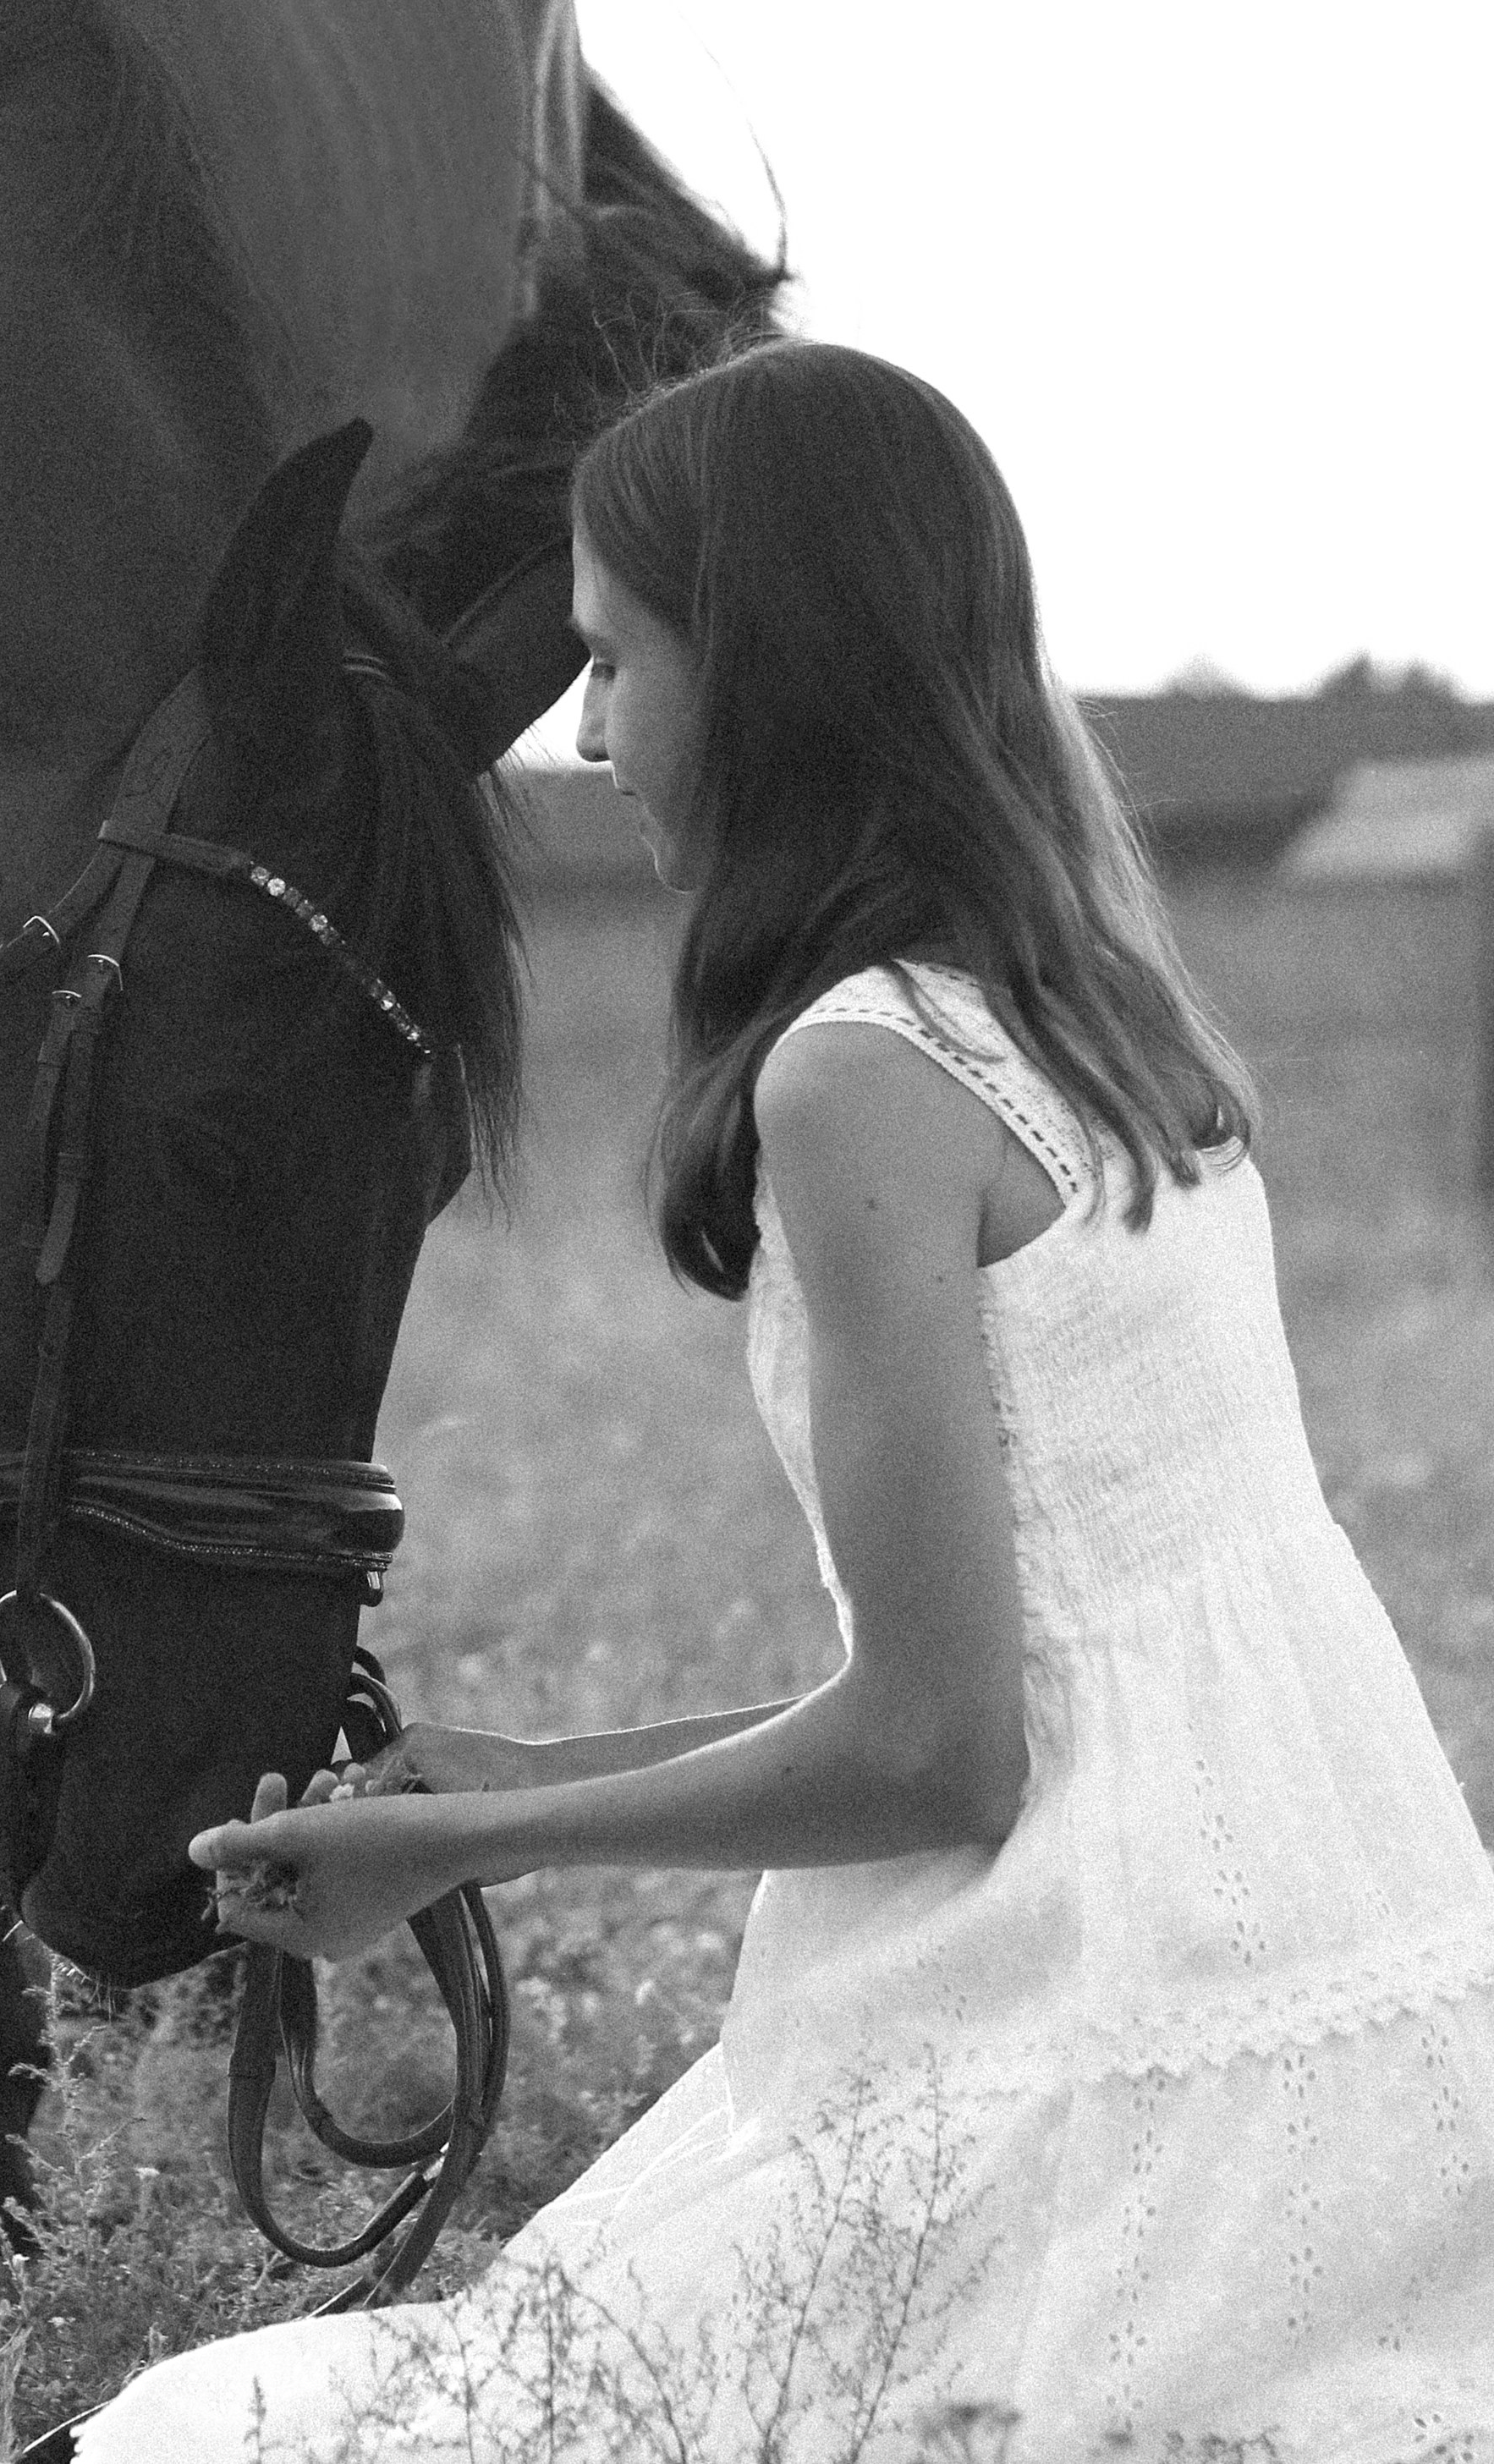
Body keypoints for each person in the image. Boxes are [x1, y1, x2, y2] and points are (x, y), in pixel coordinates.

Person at [75, 343, 1494, 2461]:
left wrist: (460, 1843)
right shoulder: (1100, 1015)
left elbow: (942, 1746)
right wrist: (530, 1763)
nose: (582, 732)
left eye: (611, 658)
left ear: (764, 668)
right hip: (1352, 2023)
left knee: (298, 2431)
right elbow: (1058, 1661)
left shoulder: (862, 1074)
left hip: (1116, 2042)